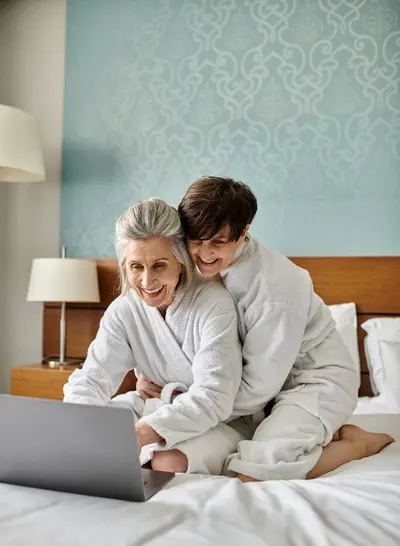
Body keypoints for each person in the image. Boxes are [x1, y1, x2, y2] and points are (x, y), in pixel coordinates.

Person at [137, 177, 393, 482]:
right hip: (249, 394)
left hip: (312, 384)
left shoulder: (276, 288)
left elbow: (259, 386)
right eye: (196, 239)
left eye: (218, 241)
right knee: (177, 449)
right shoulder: (189, 268)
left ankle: (357, 444)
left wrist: (191, 401)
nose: (204, 253)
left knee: (252, 471)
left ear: (243, 232)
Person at [63, 197, 250, 476]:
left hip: (218, 421)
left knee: (165, 462)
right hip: (152, 408)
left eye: (159, 265)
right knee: (79, 437)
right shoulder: (124, 311)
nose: (147, 282)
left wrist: (140, 434)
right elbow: (93, 377)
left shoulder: (213, 304)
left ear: (180, 262)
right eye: (136, 267)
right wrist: (78, 422)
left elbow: (214, 396)